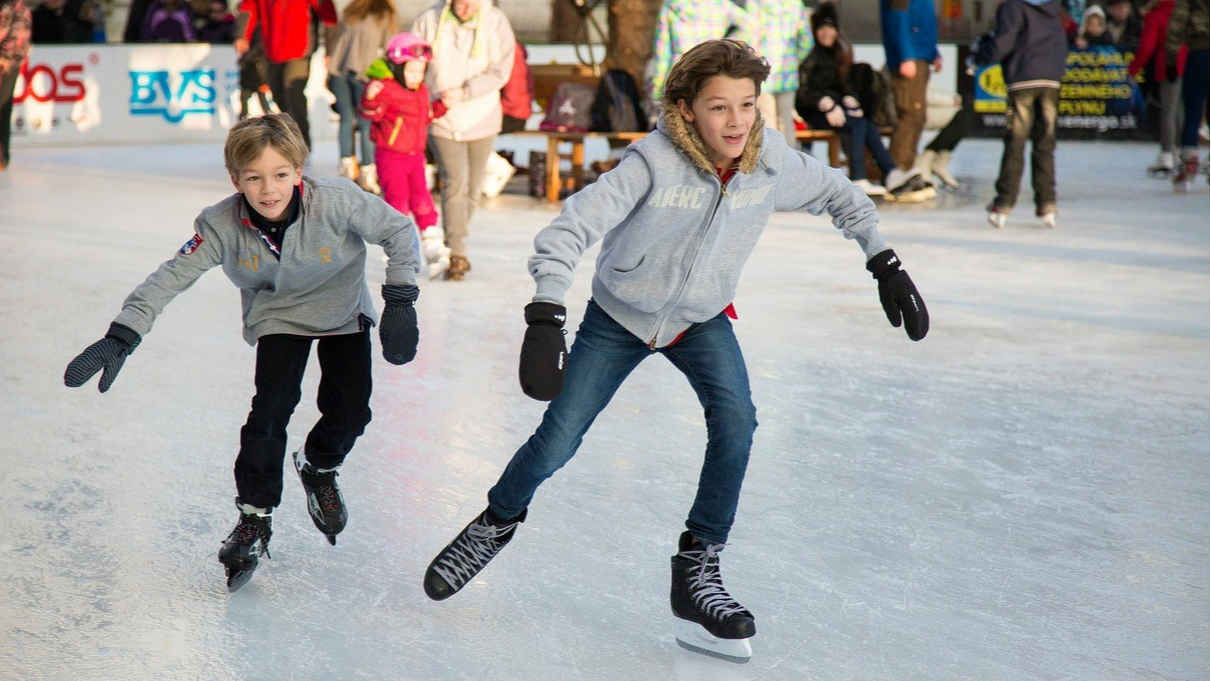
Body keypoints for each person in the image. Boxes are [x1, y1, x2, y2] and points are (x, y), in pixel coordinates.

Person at [420, 39, 929, 663]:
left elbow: (841, 196)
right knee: (558, 439)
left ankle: (698, 566)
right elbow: (571, 226)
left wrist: (883, 259)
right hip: (619, 316)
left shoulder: (770, 165)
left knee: (737, 423)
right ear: (687, 110)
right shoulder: (652, 162)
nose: (737, 121)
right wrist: (547, 312)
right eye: (719, 107)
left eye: (747, 105)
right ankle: (496, 521)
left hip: (701, 319)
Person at [62, 113, 423, 592]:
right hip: (277, 317)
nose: (268, 189)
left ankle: (318, 464)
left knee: (351, 411)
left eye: (279, 175)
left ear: (299, 171)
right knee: (269, 413)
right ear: (236, 180)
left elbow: (399, 231)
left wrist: (400, 297)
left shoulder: (337, 200)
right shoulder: (219, 225)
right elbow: (171, 276)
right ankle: (254, 517)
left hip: (342, 312)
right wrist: (124, 332)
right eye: (254, 178)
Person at [411, 0, 515, 281]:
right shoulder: (429, 20)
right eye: (461, 2)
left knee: (472, 188)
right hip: (441, 117)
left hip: (482, 116)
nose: (466, 8)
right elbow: (410, 57)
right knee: (455, 182)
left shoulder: (495, 21)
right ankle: (457, 252)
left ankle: (451, 239)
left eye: (472, 4)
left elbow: (501, 69)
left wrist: (467, 91)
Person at [360, 32, 451, 280]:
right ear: (397, 68)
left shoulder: (421, 91)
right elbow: (371, 114)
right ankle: (400, 251)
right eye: (411, 71)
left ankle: (432, 244)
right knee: (398, 201)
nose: (416, 77)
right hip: (391, 156)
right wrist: (370, 97)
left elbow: (425, 117)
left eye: (420, 72)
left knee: (422, 199)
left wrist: (442, 105)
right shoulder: (386, 89)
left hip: (415, 157)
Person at [973, 0, 1069, 228]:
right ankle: (1047, 202)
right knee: (1045, 141)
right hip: (1050, 79)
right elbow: (1061, 42)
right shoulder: (1053, 7)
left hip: (1023, 77)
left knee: (1016, 141)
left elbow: (1003, 42)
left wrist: (979, 58)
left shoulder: (1013, 7)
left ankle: (1004, 202)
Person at [796, 2, 897, 197]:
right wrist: (824, 103)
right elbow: (803, 92)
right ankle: (858, 177)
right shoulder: (810, 54)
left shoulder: (838, 52)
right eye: (822, 28)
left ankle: (891, 172)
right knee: (857, 126)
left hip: (835, 109)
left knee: (866, 123)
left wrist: (850, 98)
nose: (827, 33)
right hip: (813, 111)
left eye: (831, 27)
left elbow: (843, 84)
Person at [236, 0, 336, 150]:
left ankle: (302, 142)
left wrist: (331, 49)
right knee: (277, 94)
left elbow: (328, 14)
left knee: (292, 91)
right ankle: (290, 136)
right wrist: (242, 35)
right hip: (272, 49)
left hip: (300, 49)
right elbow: (249, 7)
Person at [323, 0, 396, 195]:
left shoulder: (354, 11)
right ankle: (363, 171)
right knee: (362, 124)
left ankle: (353, 168)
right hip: (360, 74)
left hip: (344, 72)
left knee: (352, 122)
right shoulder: (380, 12)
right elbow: (389, 47)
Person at [879, 0, 942, 202]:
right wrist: (906, 55)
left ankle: (907, 169)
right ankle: (897, 174)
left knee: (918, 116)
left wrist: (933, 51)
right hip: (909, 57)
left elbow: (924, 18)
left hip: (920, 54)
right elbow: (897, 17)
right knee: (910, 113)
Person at [733, 0, 812, 148]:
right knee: (786, 122)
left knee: (766, 123)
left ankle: (769, 166)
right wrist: (794, 61)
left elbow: (749, 35)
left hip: (762, 72)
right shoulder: (795, 5)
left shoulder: (755, 3)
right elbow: (807, 41)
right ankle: (790, 167)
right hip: (787, 73)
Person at [1128, 0, 1187, 176]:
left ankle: (1167, 154)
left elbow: (1147, 45)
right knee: (1181, 110)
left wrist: (1133, 69)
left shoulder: (1157, 15)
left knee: (1169, 110)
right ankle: (1182, 152)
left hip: (1170, 65)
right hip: (1191, 64)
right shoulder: (1185, 13)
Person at [651, 0, 749, 100]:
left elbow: (662, 50)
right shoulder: (721, 4)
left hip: (680, 69)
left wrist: (657, 85)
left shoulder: (672, 4)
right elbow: (750, 25)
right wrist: (725, 45)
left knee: (679, 111)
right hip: (711, 66)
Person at [1167, 0, 1210, 191]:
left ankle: (1188, 166)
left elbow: (1179, 19)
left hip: (1200, 50)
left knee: (1192, 111)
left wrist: (1171, 56)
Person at [1, 0, 31, 173]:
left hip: (8, 64)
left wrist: (5, 56)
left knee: (3, 106)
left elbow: (20, 34)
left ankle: (2, 155)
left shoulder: (18, 7)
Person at [500, 39, 533, 133]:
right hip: (511, 115)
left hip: (512, 117)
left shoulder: (512, 57)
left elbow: (513, 96)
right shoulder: (513, 54)